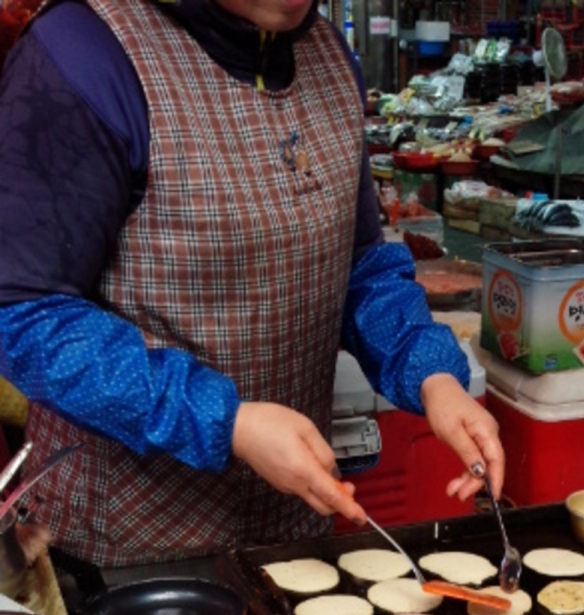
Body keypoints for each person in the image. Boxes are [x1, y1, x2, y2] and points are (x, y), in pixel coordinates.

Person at [0, 0, 504, 567]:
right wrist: (227, 420)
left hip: (291, 534)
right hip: (125, 549)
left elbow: (359, 262)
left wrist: (430, 373)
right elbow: (23, 312)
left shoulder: (327, 55)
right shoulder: (85, 52)